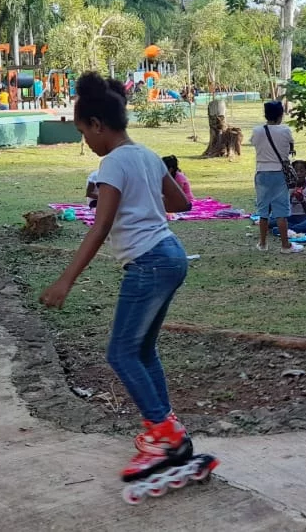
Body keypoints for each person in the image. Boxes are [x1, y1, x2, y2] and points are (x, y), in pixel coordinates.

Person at [38, 72, 194, 481]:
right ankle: (165, 428)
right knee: (142, 351)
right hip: (172, 254)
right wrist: (139, 192)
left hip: (147, 262)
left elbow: (100, 227)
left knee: (121, 353)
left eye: (82, 132)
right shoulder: (145, 154)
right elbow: (181, 202)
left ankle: (166, 435)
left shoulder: (112, 163)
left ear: (97, 125)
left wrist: (64, 281)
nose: (84, 141)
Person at [249, 101, 304, 254]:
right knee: (281, 210)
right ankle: (285, 245)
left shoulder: (257, 130)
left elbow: (254, 143)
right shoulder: (285, 130)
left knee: (263, 210)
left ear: (266, 115)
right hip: (280, 173)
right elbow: (289, 147)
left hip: (262, 172)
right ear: (281, 115)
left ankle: (262, 243)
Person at [270, 160, 306, 237]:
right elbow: (281, 209)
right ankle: (296, 228)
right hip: (288, 217)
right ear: (291, 174)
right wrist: (289, 196)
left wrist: (302, 200)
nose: (298, 174)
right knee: (271, 221)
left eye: (301, 171)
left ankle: (288, 229)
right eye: (295, 171)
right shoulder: (285, 185)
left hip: (305, 217)